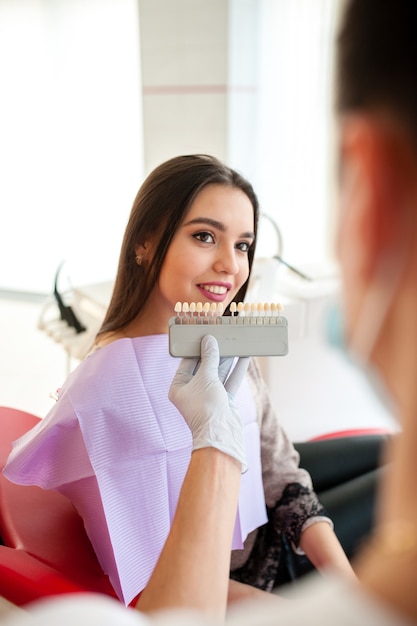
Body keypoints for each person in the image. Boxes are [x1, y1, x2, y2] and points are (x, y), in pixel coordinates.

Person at [2, 154, 353, 614]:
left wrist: (346, 582)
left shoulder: (226, 338)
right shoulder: (109, 393)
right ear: (146, 243)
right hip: (243, 576)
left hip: (277, 515)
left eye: (243, 245)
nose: (231, 265)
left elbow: (278, 466)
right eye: (205, 236)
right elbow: (160, 591)